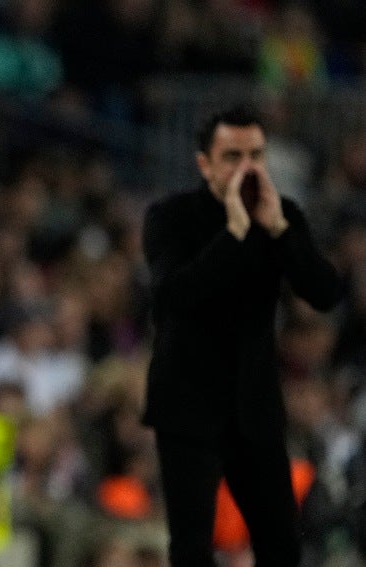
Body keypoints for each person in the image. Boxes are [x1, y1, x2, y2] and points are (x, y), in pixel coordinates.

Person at [141, 102, 343, 566]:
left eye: (256, 154)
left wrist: (280, 230)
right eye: (233, 156)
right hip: (188, 407)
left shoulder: (280, 215)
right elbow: (173, 297)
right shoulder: (170, 217)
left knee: (281, 544)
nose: (247, 167)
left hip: (254, 405)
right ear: (204, 163)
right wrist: (233, 234)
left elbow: (326, 293)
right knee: (191, 548)